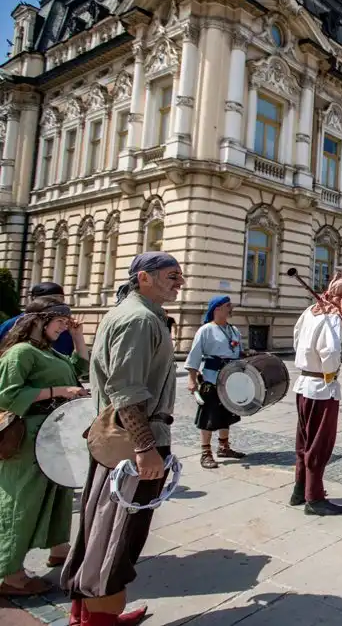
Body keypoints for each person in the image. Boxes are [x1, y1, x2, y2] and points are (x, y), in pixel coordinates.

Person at [61, 252, 183, 626]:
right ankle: (100, 620)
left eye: (180, 276)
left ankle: (86, 615)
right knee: (116, 538)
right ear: (144, 278)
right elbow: (126, 392)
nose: (179, 282)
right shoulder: (138, 318)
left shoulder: (138, 313)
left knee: (100, 528)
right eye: (171, 275)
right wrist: (145, 448)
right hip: (130, 443)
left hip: (118, 440)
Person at [0, 298, 89, 597]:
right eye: (61, 322)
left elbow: (78, 367)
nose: (65, 327)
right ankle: (11, 574)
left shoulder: (47, 351)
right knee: (21, 503)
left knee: (56, 498)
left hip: (52, 437)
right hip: (27, 439)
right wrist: (60, 391)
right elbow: (6, 395)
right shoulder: (21, 352)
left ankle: (60, 550)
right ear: (40, 319)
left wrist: (77, 337)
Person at [289, 272, 342, 516]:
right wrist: (331, 371)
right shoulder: (331, 316)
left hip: (304, 382)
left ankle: (299, 489)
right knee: (319, 444)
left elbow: (296, 340)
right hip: (322, 388)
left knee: (304, 440)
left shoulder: (309, 312)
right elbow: (330, 350)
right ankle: (314, 498)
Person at [185, 296, 246, 470]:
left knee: (226, 414)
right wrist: (191, 378)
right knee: (208, 416)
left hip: (230, 379)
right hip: (211, 379)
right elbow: (195, 355)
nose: (230, 308)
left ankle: (224, 447)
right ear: (217, 309)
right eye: (227, 306)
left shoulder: (233, 330)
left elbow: (237, 352)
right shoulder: (206, 330)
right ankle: (205, 452)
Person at [0, 283, 75, 356]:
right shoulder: (11, 325)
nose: (57, 306)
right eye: (52, 301)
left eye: (61, 301)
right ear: (35, 301)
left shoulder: (65, 329)